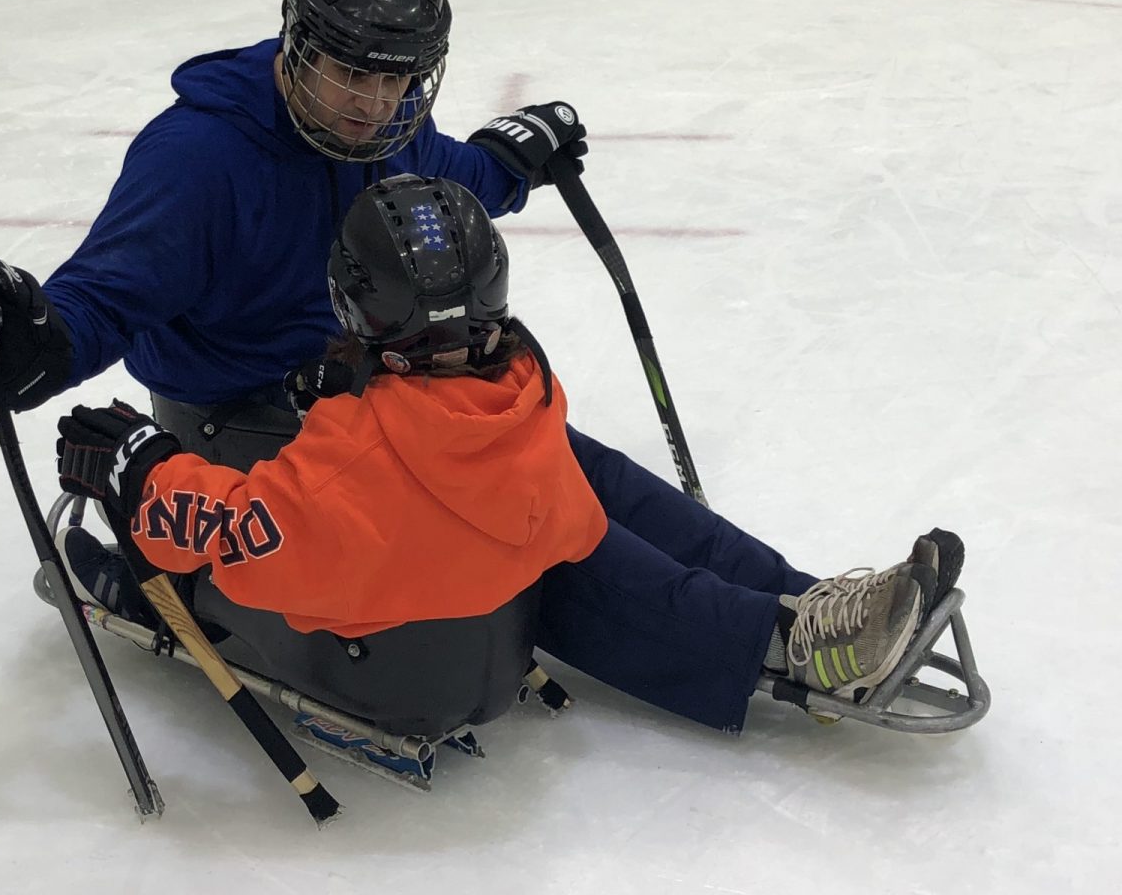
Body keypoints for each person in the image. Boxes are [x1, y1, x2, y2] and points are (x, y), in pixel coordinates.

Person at [51, 175, 964, 735]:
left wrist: (140, 466)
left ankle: (794, 628)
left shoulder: (352, 457)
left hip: (436, 567)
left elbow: (238, 531)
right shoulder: (519, 374)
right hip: (502, 506)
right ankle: (795, 613)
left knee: (593, 534)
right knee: (593, 487)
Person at [0, 0, 588, 472]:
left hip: (362, 388)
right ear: (298, 39)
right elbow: (104, 296)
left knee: (544, 460)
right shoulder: (198, 159)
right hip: (234, 421)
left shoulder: (384, 126)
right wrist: (30, 342)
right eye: (353, 72)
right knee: (483, 508)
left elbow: (447, 175)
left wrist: (509, 162)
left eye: (400, 78)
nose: (378, 105)